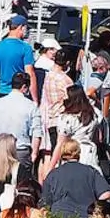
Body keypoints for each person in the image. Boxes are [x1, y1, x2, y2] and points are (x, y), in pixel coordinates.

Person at [0, 72, 42, 174]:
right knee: (21, 184)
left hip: (0, 150)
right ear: (24, 87)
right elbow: (37, 132)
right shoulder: (31, 106)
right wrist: (34, 154)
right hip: (21, 150)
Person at [42, 140, 110, 218]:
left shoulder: (53, 174)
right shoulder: (90, 172)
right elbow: (106, 194)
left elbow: (45, 202)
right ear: (78, 152)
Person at [38, 49, 73, 180]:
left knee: (49, 153)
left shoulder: (49, 75)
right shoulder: (65, 79)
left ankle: (44, 182)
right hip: (62, 118)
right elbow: (72, 98)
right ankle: (51, 181)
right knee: (59, 155)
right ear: (67, 63)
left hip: (50, 116)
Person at [50, 84, 100, 174]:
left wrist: (51, 167)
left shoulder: (67, 118)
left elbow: (60, 143)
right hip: (89, 154)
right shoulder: (93, 114)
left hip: (72, 154)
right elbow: (97, 137)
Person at [0, 15, 38, 101]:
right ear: (21, 27)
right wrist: (35, 100)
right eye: (26, 28)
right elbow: (30, 74)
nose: (26, 31)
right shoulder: (25, 48)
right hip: (20, 93)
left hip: (2, 93)